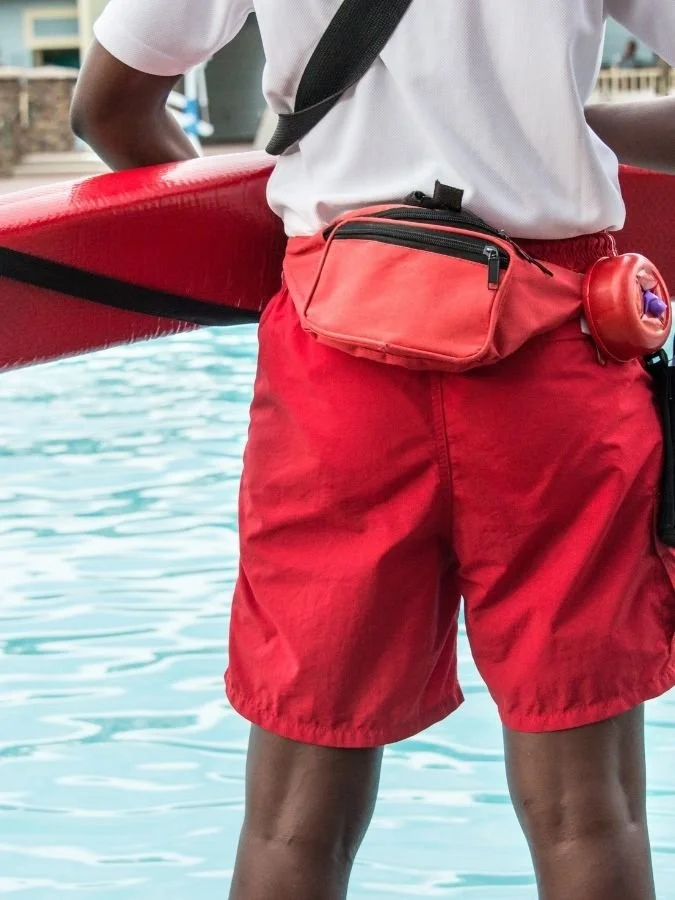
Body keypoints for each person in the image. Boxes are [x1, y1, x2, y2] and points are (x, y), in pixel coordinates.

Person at [71, 2, 675, 898]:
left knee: (291, 824)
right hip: (555, 350)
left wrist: (280, 253)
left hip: (337, 362)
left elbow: (110, 107)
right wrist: (552, 123)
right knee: (590, 810)